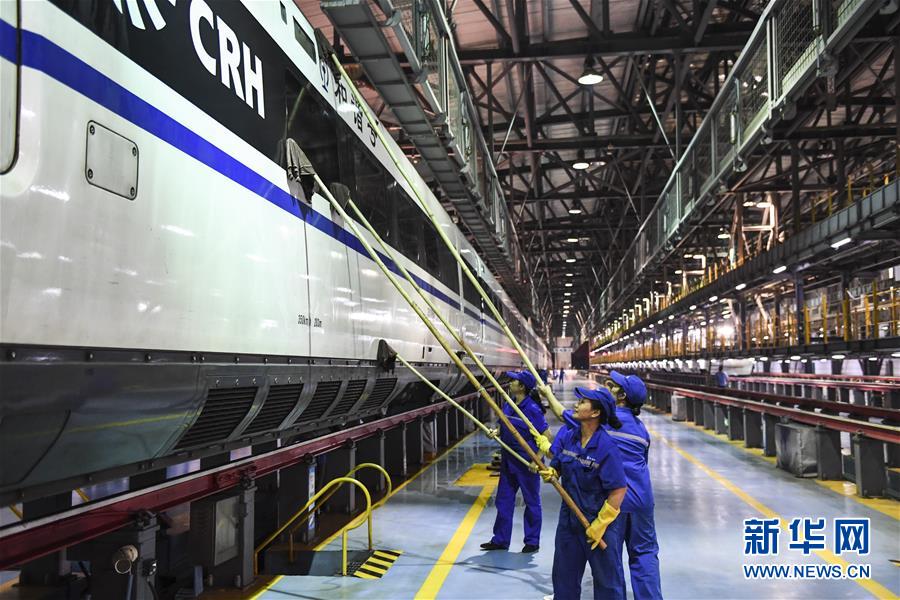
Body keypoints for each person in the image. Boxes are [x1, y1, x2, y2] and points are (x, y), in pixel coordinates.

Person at [534, 387, 628, 600]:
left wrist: (600, 524)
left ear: (595, 413)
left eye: (583, 402)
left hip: (597, 524)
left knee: (607, 584)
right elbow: (559, 462)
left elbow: (618, 490)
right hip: (569, 520)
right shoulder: (571, 436)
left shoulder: (606, 448)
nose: (576, 404)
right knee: (564, 579)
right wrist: (553, 472)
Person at [606, 371, 662, 600]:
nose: (608, 388)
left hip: (614, 501)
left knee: (610, 558)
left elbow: (567, 418)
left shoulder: (604, 424)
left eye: (613, 386)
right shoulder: (641, 430)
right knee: (645, 553)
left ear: (622, 396)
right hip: (641, 499)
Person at [480, 370, 550, 553]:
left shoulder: (532, 409)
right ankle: (500, 540)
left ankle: (532, 541)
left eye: (513, 381)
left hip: (526, 463)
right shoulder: (509, 404)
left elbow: (546, 436)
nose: (510, 383)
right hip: (508, 460)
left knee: (532, 502)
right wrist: (495, 432)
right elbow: (503, 427)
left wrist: (537, 460)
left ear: (522, 387)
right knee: (503, 500)